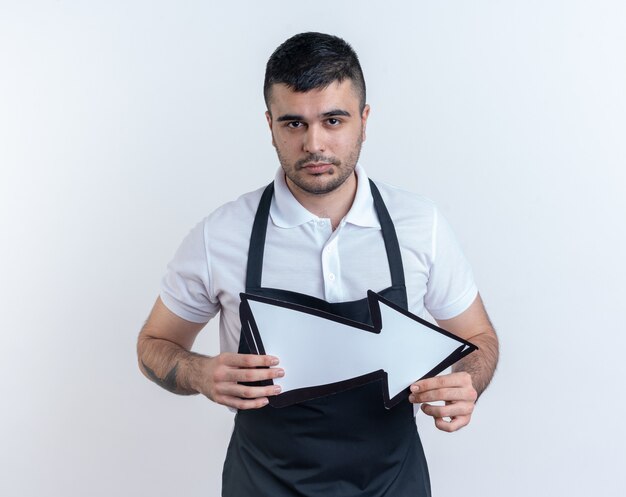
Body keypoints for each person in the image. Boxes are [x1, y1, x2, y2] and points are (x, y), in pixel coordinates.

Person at [137, 32, 499, 496]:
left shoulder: (419, 224)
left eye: (333, 120)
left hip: (393, 484)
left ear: (364, 120)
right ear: (269, 125)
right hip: (262, 484)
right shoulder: (220, 235)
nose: (314, 143)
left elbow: (479, 338)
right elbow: (153, 343)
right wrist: (199, 373)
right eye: (293, 123)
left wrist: (465, 381)